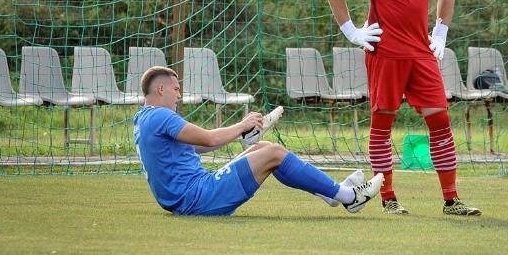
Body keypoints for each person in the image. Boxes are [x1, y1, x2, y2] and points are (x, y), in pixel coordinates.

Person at [325, 0, 480, 216]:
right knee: (382, 124)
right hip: (385, 53)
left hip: (421, 52)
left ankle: (451, 201)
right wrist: (352, 32)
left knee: (440, 120)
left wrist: (440, 32)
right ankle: (388, 198)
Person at [133, 66, 383, 216]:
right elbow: (208, 139)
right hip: (197, 198)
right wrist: (241, 125)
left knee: (262, 147)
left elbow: (198, 146)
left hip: (190, 197)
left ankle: (331, 194)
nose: (179, 95)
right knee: (273, 152)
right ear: (162, 90)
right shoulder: (161, 116)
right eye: (176, 89)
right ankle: (349, 197)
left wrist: (241, 134)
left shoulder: (144, 119)